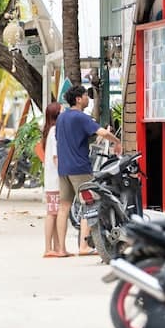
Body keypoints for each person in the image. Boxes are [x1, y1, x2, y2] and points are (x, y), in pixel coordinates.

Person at [56, 85, 122, 256]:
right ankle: (84, 246)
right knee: (90, 205)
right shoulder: (81, 117)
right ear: (78, 99)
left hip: (64, 168)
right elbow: (102, 133)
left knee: (63, 207)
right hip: (80, 168)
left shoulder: (61, 118)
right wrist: (116, 141)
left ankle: (61, 249)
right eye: (86, 96)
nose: (88, 98)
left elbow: (74, 140)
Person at [40, 102, 71, 257]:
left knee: (54, 212)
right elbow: (56, 157)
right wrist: (65, 174)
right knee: (53, 213)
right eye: (62, 110)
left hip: (52, 180)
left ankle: (56, 247)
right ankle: (48, 248)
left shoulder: (50, 131)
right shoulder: (54, 132)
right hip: (56, 180)